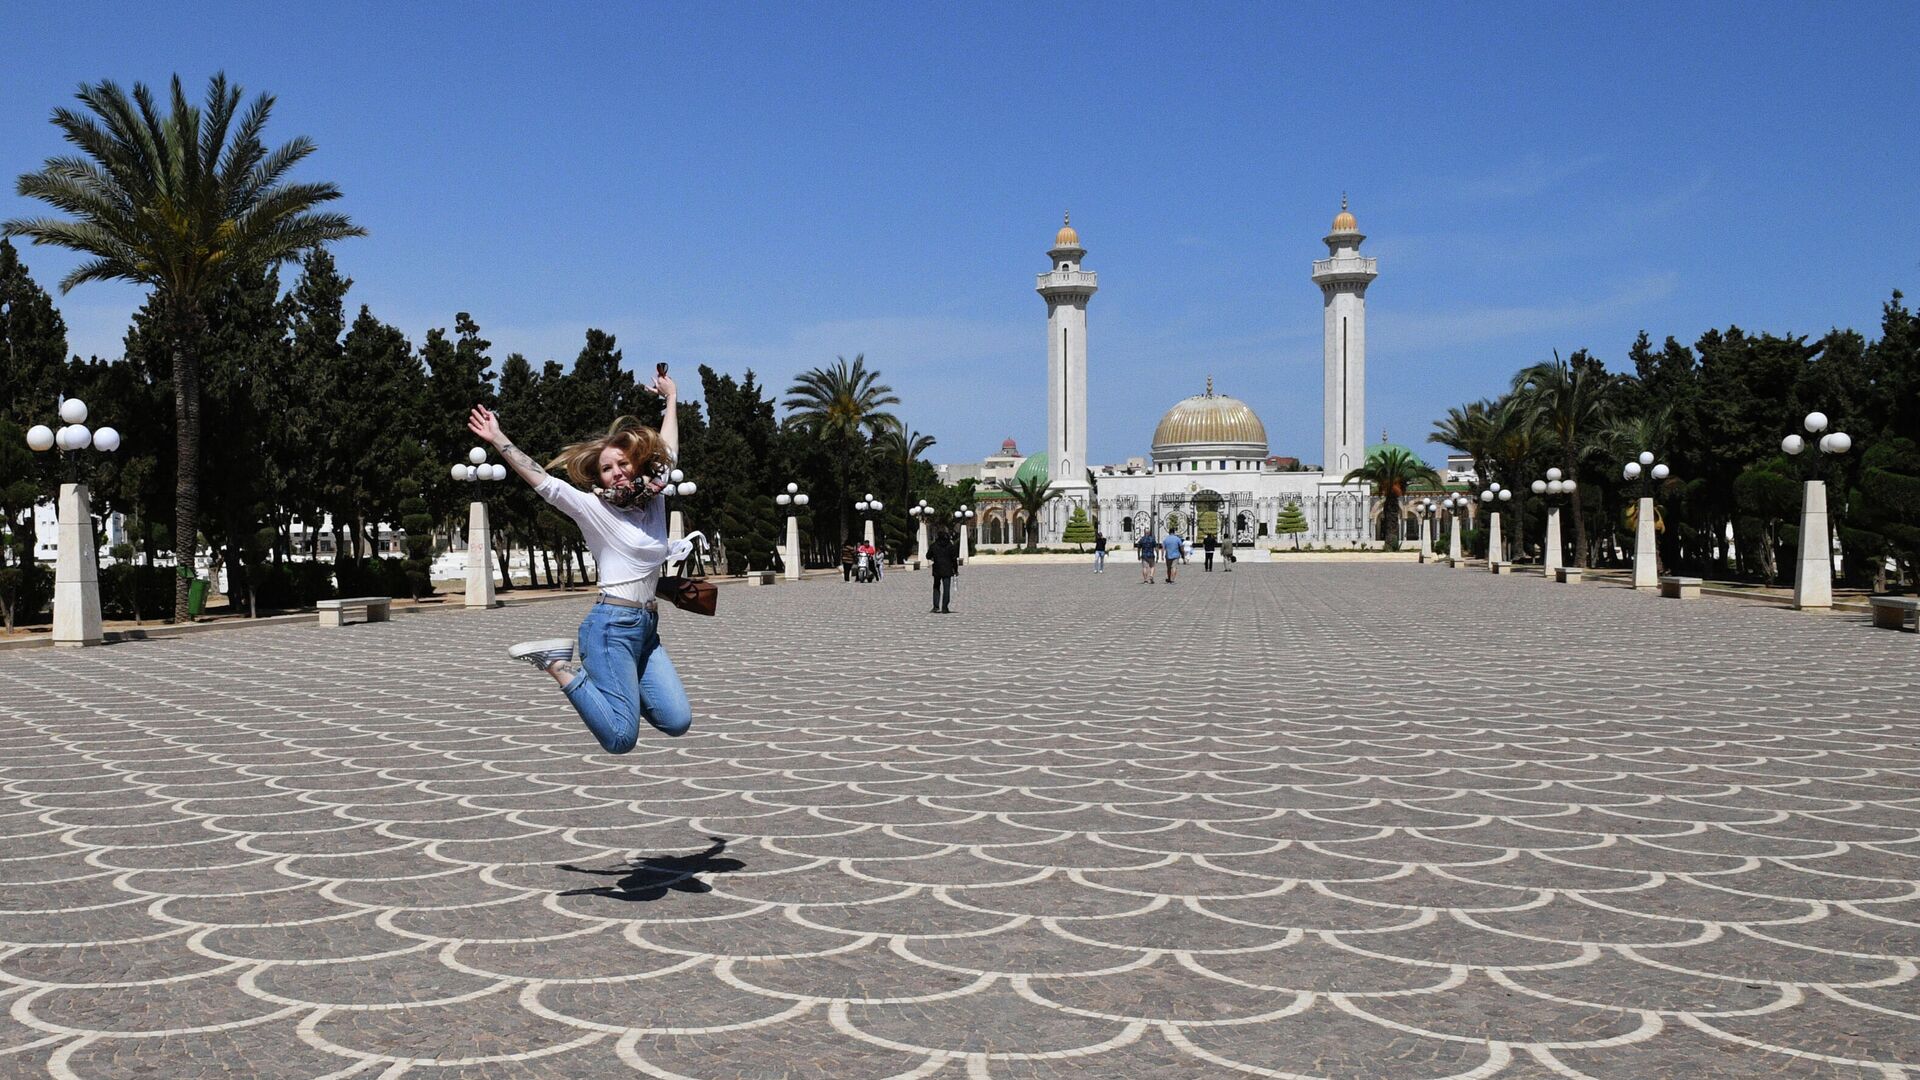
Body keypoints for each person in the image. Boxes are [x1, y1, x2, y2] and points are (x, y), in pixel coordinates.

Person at [467, 376, 691, 751]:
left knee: (677, 720)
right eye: (607, 468)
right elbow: (546, 484)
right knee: (621, 738)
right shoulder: (593, 508)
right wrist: (498, 440)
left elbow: (668, 453)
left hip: (646, 627)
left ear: (636, 465)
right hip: (610, 628)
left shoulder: (654, 499)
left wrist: (671, 397)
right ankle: (558, 665)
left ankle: (612, 691)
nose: (616, 471)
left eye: (622, 463)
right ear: (597, 476)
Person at [928, 528, 959, 612]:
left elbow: (927, 556)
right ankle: (945, 607)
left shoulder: (934, 546)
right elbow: (954, 559)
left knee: (936, 587)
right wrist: (955, 570)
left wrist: (933, 557)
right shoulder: (950, 546)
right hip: (947, 570)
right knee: (946, 589)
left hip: (937, 570)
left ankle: (936, 606)